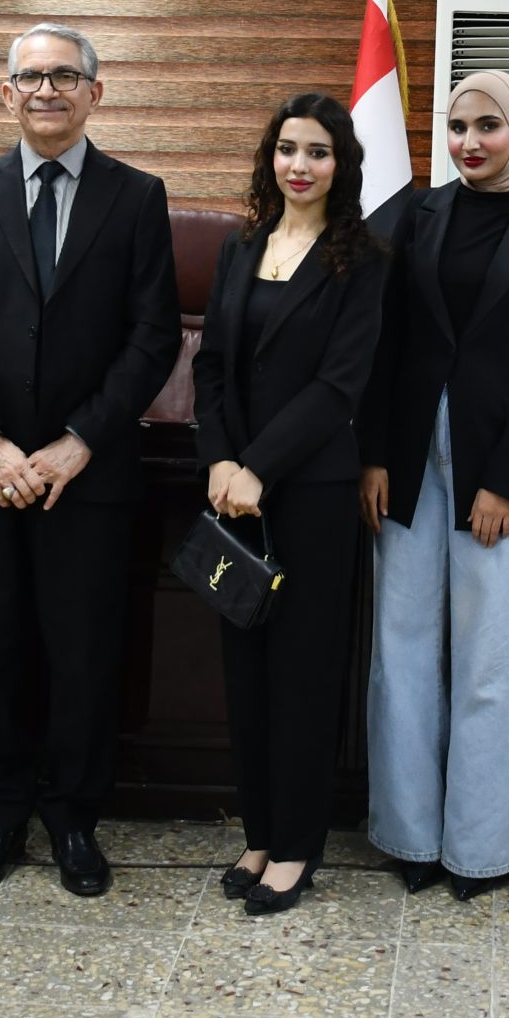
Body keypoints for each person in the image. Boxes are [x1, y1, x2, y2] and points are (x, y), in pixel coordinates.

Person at [0, 22, 179, 899]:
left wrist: (79, 439)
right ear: (7, 94)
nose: (47, 91)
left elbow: (152, 337)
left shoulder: (136, 196)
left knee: (82, 652)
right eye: (30, 77)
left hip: (87, 477)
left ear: (95, 93)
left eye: (65, 76)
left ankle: (72, 818)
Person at [361, 69, 509, 902]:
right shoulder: (415, 215)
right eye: (457, 127)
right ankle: (409, 835)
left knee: (491, 661)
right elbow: (384, 341)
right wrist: (375, 456)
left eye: (488, 125)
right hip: (410, 461)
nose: (470, 142)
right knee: (402, 650)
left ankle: (481, 849)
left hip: (501, 471)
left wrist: (507, 480)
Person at [192, 93, 389, 917]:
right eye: (286, 149)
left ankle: (298, 845)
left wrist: (260, 468)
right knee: (246, 673)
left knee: (303, 674)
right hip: (233, 494)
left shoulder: (364, 258)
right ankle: (260, 832)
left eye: (317, 151)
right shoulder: (241, 246)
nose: (298, 165)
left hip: (309, 492)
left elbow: (339, 385)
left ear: (341, 164)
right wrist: (220, 458)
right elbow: (210, 364)